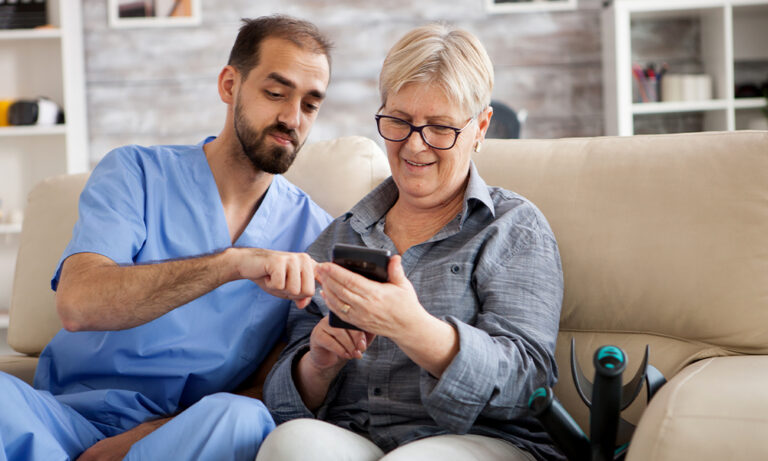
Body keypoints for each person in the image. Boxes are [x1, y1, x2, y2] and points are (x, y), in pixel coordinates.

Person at [0, 15, 333, 461]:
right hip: (59, 421)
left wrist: (134, 443)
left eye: (310, 105)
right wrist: (231, 263)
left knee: (245, 419)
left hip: (178, 438)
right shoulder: (134, 174)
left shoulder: (314, 234)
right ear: (229, 85)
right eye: (276, 93)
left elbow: (272, 386)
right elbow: (78, 305)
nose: (292, 119)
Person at [258, 24, 565, 461]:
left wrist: (414, 328)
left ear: (480, 126)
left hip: (487, 442)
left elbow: (529, 384)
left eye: (440, 127)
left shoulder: (513, 228)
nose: (415, 146)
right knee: (290, 445)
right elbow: (283, 402)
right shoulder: (339, 237)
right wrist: (319, 364)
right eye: (399, 121)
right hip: (356, 437)